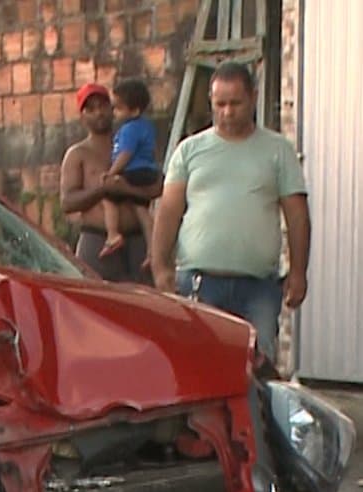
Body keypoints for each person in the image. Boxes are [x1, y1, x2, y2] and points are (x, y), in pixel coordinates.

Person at [151, 61, 309, 364]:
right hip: (198, 285)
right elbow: (168, 212)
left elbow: (297, 214)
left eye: (235, 103)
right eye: (219, 104)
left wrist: (299, 271)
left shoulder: (278, 151)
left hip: (258, 289)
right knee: (197, 368)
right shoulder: (189, 151)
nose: (226, 112)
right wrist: (160, 268)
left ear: (253, 97)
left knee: (256, 369)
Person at [60, 82, 161, 282]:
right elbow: (68, 202)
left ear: (114, 108)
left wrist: (127, 189)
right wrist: (102, 190)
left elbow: (157, 186)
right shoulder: (77, 154)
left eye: (103, 106)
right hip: (98, 241)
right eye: (91, 109)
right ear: (82, 116)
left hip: (137, 241)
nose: (98, 113)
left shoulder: (132, 142)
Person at [99, 78, 160, 261]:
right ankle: (152, 250)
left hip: (133, 171)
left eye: (118, 108)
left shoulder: (129, 129)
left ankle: (112, 234)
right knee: (142, 211)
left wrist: (112, 173)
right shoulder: (146, 126)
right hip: (146, 171)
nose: (114, 112)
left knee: (107, 195)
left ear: (134, 111)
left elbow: (125, 154)